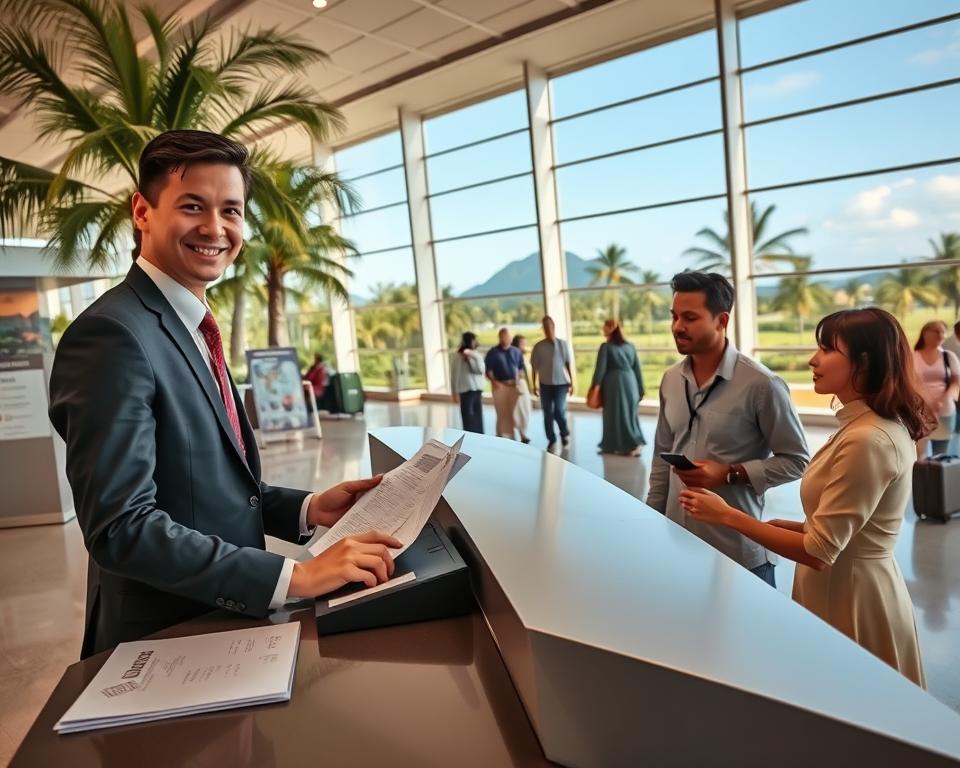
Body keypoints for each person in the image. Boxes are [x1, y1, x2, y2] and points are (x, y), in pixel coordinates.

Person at [48, 130, 401, 658]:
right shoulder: (113, 335)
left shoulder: (189, 326)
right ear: (142, 211)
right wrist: (296, 577)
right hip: (164, 638)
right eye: (193, 206)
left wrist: (306, 510)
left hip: (220, 626)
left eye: (231, 211)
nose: (216, 228)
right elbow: (121, 527)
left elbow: (199, 490)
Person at [678, 308, 930, 687]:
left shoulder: (868, 439)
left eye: (827, 349)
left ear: (863, 363)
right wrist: (794, 526)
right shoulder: (862, 428)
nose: (813, 359)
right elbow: (852, 527)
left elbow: (820, 551)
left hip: (852, 597)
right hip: (844, 584)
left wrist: (729, 515)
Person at [647, 272, 809, 587]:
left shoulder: (762, 385)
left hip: (737, 556)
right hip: (676, 548)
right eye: (675, 316)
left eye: (690, 318)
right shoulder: (670, 379)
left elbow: (797, 460)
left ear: (722, 320)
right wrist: (652, 524)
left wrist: (729, 473)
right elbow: (660, 459)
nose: (677, 327)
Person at [591, 320, 646, 456]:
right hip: (631, 382)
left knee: (612, 415)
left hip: (614, 385)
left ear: (609, 329)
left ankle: (611, 445)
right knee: (630, 414)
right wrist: (640, 388)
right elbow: (637, 369)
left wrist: (595, 387)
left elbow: (600, 370)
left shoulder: (606, 347)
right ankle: (634, 443)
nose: (602, 328)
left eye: (604, 326)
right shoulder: (630, 346)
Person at [913, 320, 959, 457]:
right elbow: (911, 382)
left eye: (943, 332)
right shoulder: (912, 356)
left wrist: (945, 399)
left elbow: (956, 383)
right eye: (935, 331)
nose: (940, 335)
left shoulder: (949, 357)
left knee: (942, 455)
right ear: (924, 333)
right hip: (919, 411)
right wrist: (928, 402)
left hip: (944, 411)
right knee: (919, 455)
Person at [530, 316, 574, 450]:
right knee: (547, 413)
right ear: (543, 329)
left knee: (559, 411)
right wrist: (534, 384)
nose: (548, 328)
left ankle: (564, 432)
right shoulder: (538, 346)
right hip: (545, 385)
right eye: (545, 326)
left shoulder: (562, 344)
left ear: (554, 326)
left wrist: (571, 382)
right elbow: (534, 367)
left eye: (550, 325)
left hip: (561, 384)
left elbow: (567, 363)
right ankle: (551, 438)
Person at [484, 327, 525, 439]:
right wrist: (494, 382)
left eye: (507, 336)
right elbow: (488, 371)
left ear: (510, 338)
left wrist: (518, 379)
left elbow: (521, 368)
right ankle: (501, 435)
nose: (506, 339)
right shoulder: (493, 352)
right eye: (503, 336)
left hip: (514, 385)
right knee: (501, 412)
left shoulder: (516, 351)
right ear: (499, 338)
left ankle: (521, 434)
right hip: (499, 386)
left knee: (516, 411)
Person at [451, 331, 485, 433]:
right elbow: (454, 375)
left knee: (478, 419)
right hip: (465, 392)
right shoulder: (457, 356)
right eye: (474, 340)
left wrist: (470, 356)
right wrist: (454, 392)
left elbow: (480, 370)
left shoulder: (476, 355)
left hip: (477, 391)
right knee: (468, 420)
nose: (476, 342)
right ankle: (470, 440)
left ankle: (479, 438)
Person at [512, 334, 532, 444]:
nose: (525, 346)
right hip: (518, 384)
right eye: (522, 344)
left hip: (523, 384)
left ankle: (522, 433)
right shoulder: (515, 355)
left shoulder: (522, 355)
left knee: (525, 409)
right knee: (520, 410)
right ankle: (522, 434)